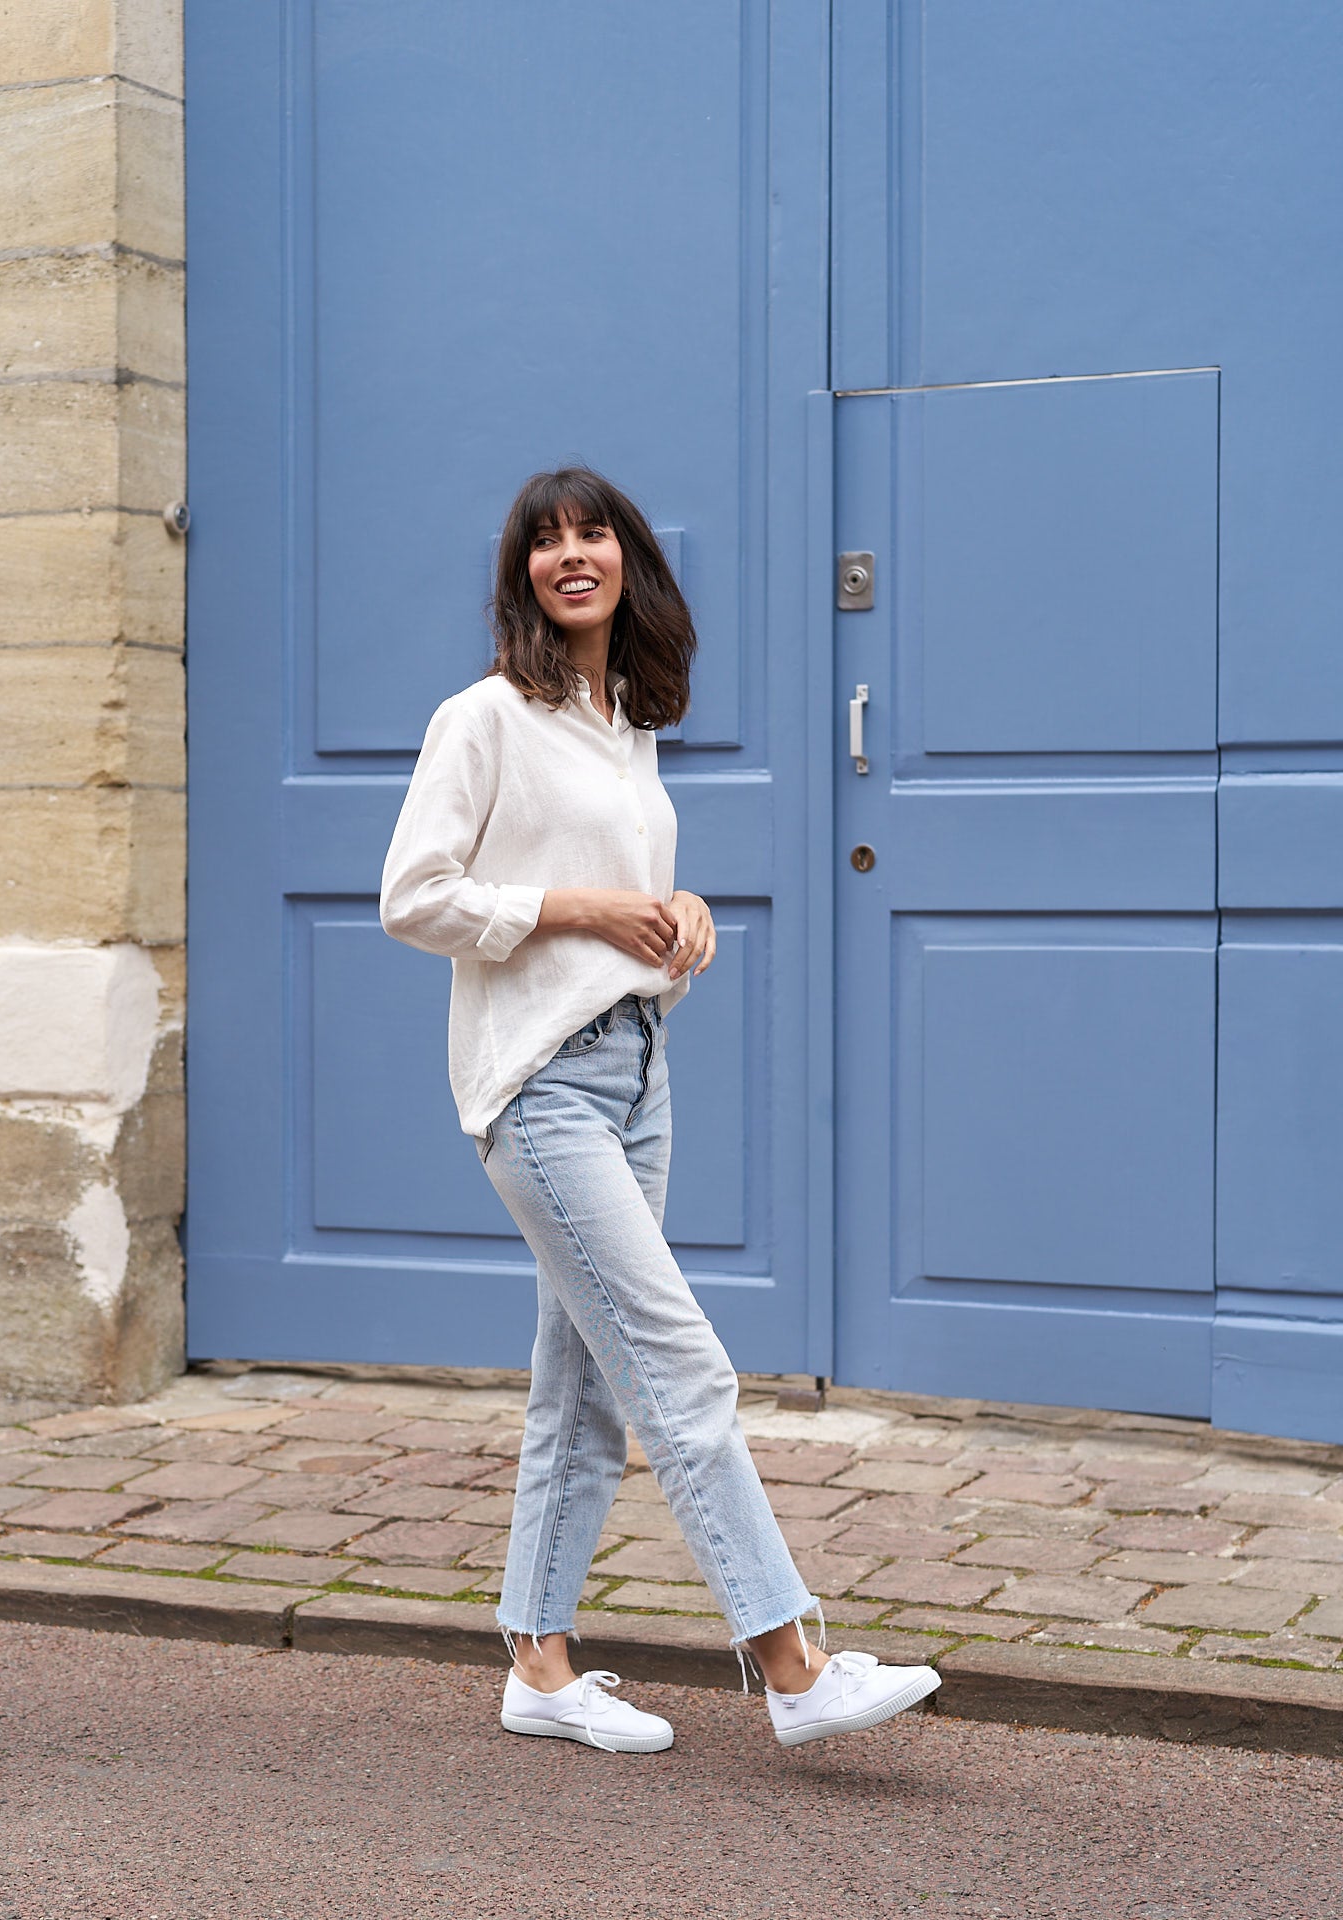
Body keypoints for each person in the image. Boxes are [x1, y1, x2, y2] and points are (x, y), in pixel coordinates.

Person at [380, 465, 941, 1752]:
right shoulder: (484, 718)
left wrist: (683, 921)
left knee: (581, 1385)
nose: (571, 554)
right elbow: (413, 896)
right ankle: (793, 1664)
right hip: (540, 1086)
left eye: (594, 535)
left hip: (636, 1068)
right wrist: (576, 906)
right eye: (545, 539)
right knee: (682, 1367)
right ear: (519, 570)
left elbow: (629, 907)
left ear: (629, 558)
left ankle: (537, 1662)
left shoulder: (627, 722)